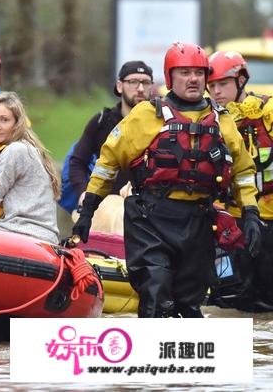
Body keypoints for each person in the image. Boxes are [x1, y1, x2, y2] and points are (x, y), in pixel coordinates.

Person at [72, 42, 262, 318]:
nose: (193, 79)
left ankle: (188, 358)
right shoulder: (146, 115)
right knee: (156, 291)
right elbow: (108, 164)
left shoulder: (222, 121)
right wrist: (88, 211)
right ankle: (150, 357)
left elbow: (244, 171)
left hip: (198, 221)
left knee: (189, 301)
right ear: (170, 77)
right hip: (151, 219)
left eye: (199, 73)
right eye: (184, 72)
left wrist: (251, 212)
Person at [206, 51, 273, 311]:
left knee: (266, 298)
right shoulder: (211, 120)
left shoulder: (267, 112)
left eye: (223, 84)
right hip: (231, 221)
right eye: (212, 86)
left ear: (241, 81)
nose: (217, 91)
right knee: (228, 299)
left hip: (268, 217)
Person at [0, 92, 60, 244]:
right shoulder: (28, 147)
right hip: (37, 234)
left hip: (23, 233)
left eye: (4, 120)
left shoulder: (15, 150)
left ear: (17, 123)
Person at [66, 61, 154, 211]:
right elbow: (77, 163)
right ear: (120, 86)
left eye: (145, 82)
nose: (140, 89)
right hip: (106, 210)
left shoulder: (161, 123)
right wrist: (84, 193)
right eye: (133, 82)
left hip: (147, 210)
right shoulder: (101, 122)